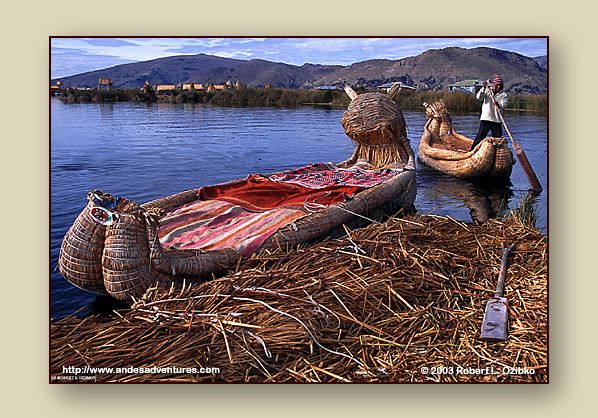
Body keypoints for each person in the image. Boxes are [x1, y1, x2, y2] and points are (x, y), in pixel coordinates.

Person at [471, 74, 508, 150]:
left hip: (496, 120)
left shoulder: (503, 94)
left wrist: (498, 104)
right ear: (494, 85)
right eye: (497, 85)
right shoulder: (487, 90)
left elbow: (504, 105)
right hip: (486, 118)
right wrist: (483, 88)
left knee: (498, 140)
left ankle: (497, 155)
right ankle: (473, 151)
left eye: (500, 86)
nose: (498, 87)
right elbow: (479, 97)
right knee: (480, 136)